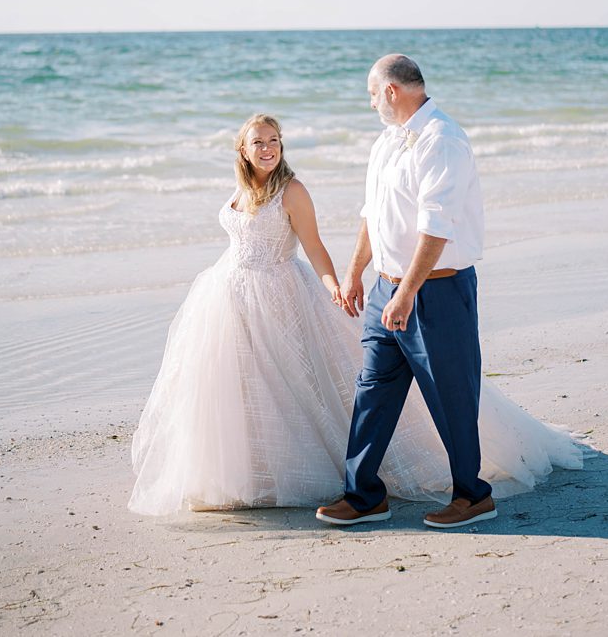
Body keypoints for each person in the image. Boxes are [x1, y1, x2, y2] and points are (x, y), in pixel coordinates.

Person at [127, 111, 581, 517]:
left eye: (274, 141)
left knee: (304, 382)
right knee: (242, 384)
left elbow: (313, 246)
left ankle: (407, 485)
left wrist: (336, 286)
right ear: (242, 152)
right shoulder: (241, 191)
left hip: (280, 293)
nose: (268, 149)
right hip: (230, 294)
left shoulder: (292, 191)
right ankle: (254, 470)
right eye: (259, 143)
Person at [316, 54, 540, 529]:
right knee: (372, 391)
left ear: (392, 91)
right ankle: (363, 496)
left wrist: (407, 294)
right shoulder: (385, 142)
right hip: (385, 290)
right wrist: (357, 272)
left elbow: (436, 229)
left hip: (436, 292)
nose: (371, 102)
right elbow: (371, 215)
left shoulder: (443, 139)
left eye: (373, 93)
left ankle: (473, 495)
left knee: (450, 394)